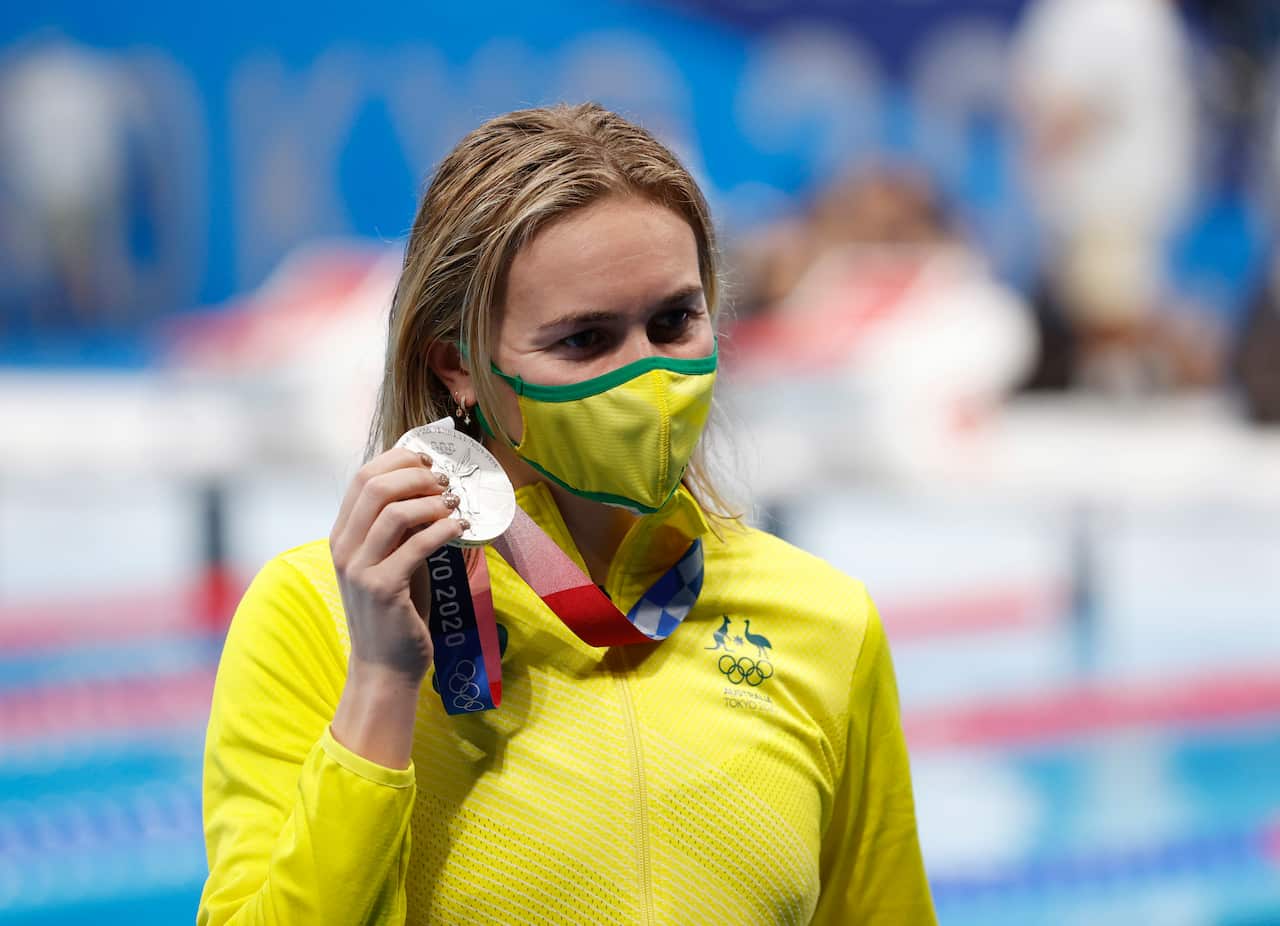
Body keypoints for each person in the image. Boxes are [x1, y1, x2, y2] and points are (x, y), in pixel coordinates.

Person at [197, 103, 936, 925]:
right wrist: (379, 685)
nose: (646, 376)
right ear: (458, 364)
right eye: (585, 340)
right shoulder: (315, 621)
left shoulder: (824, 621)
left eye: (673, 321)